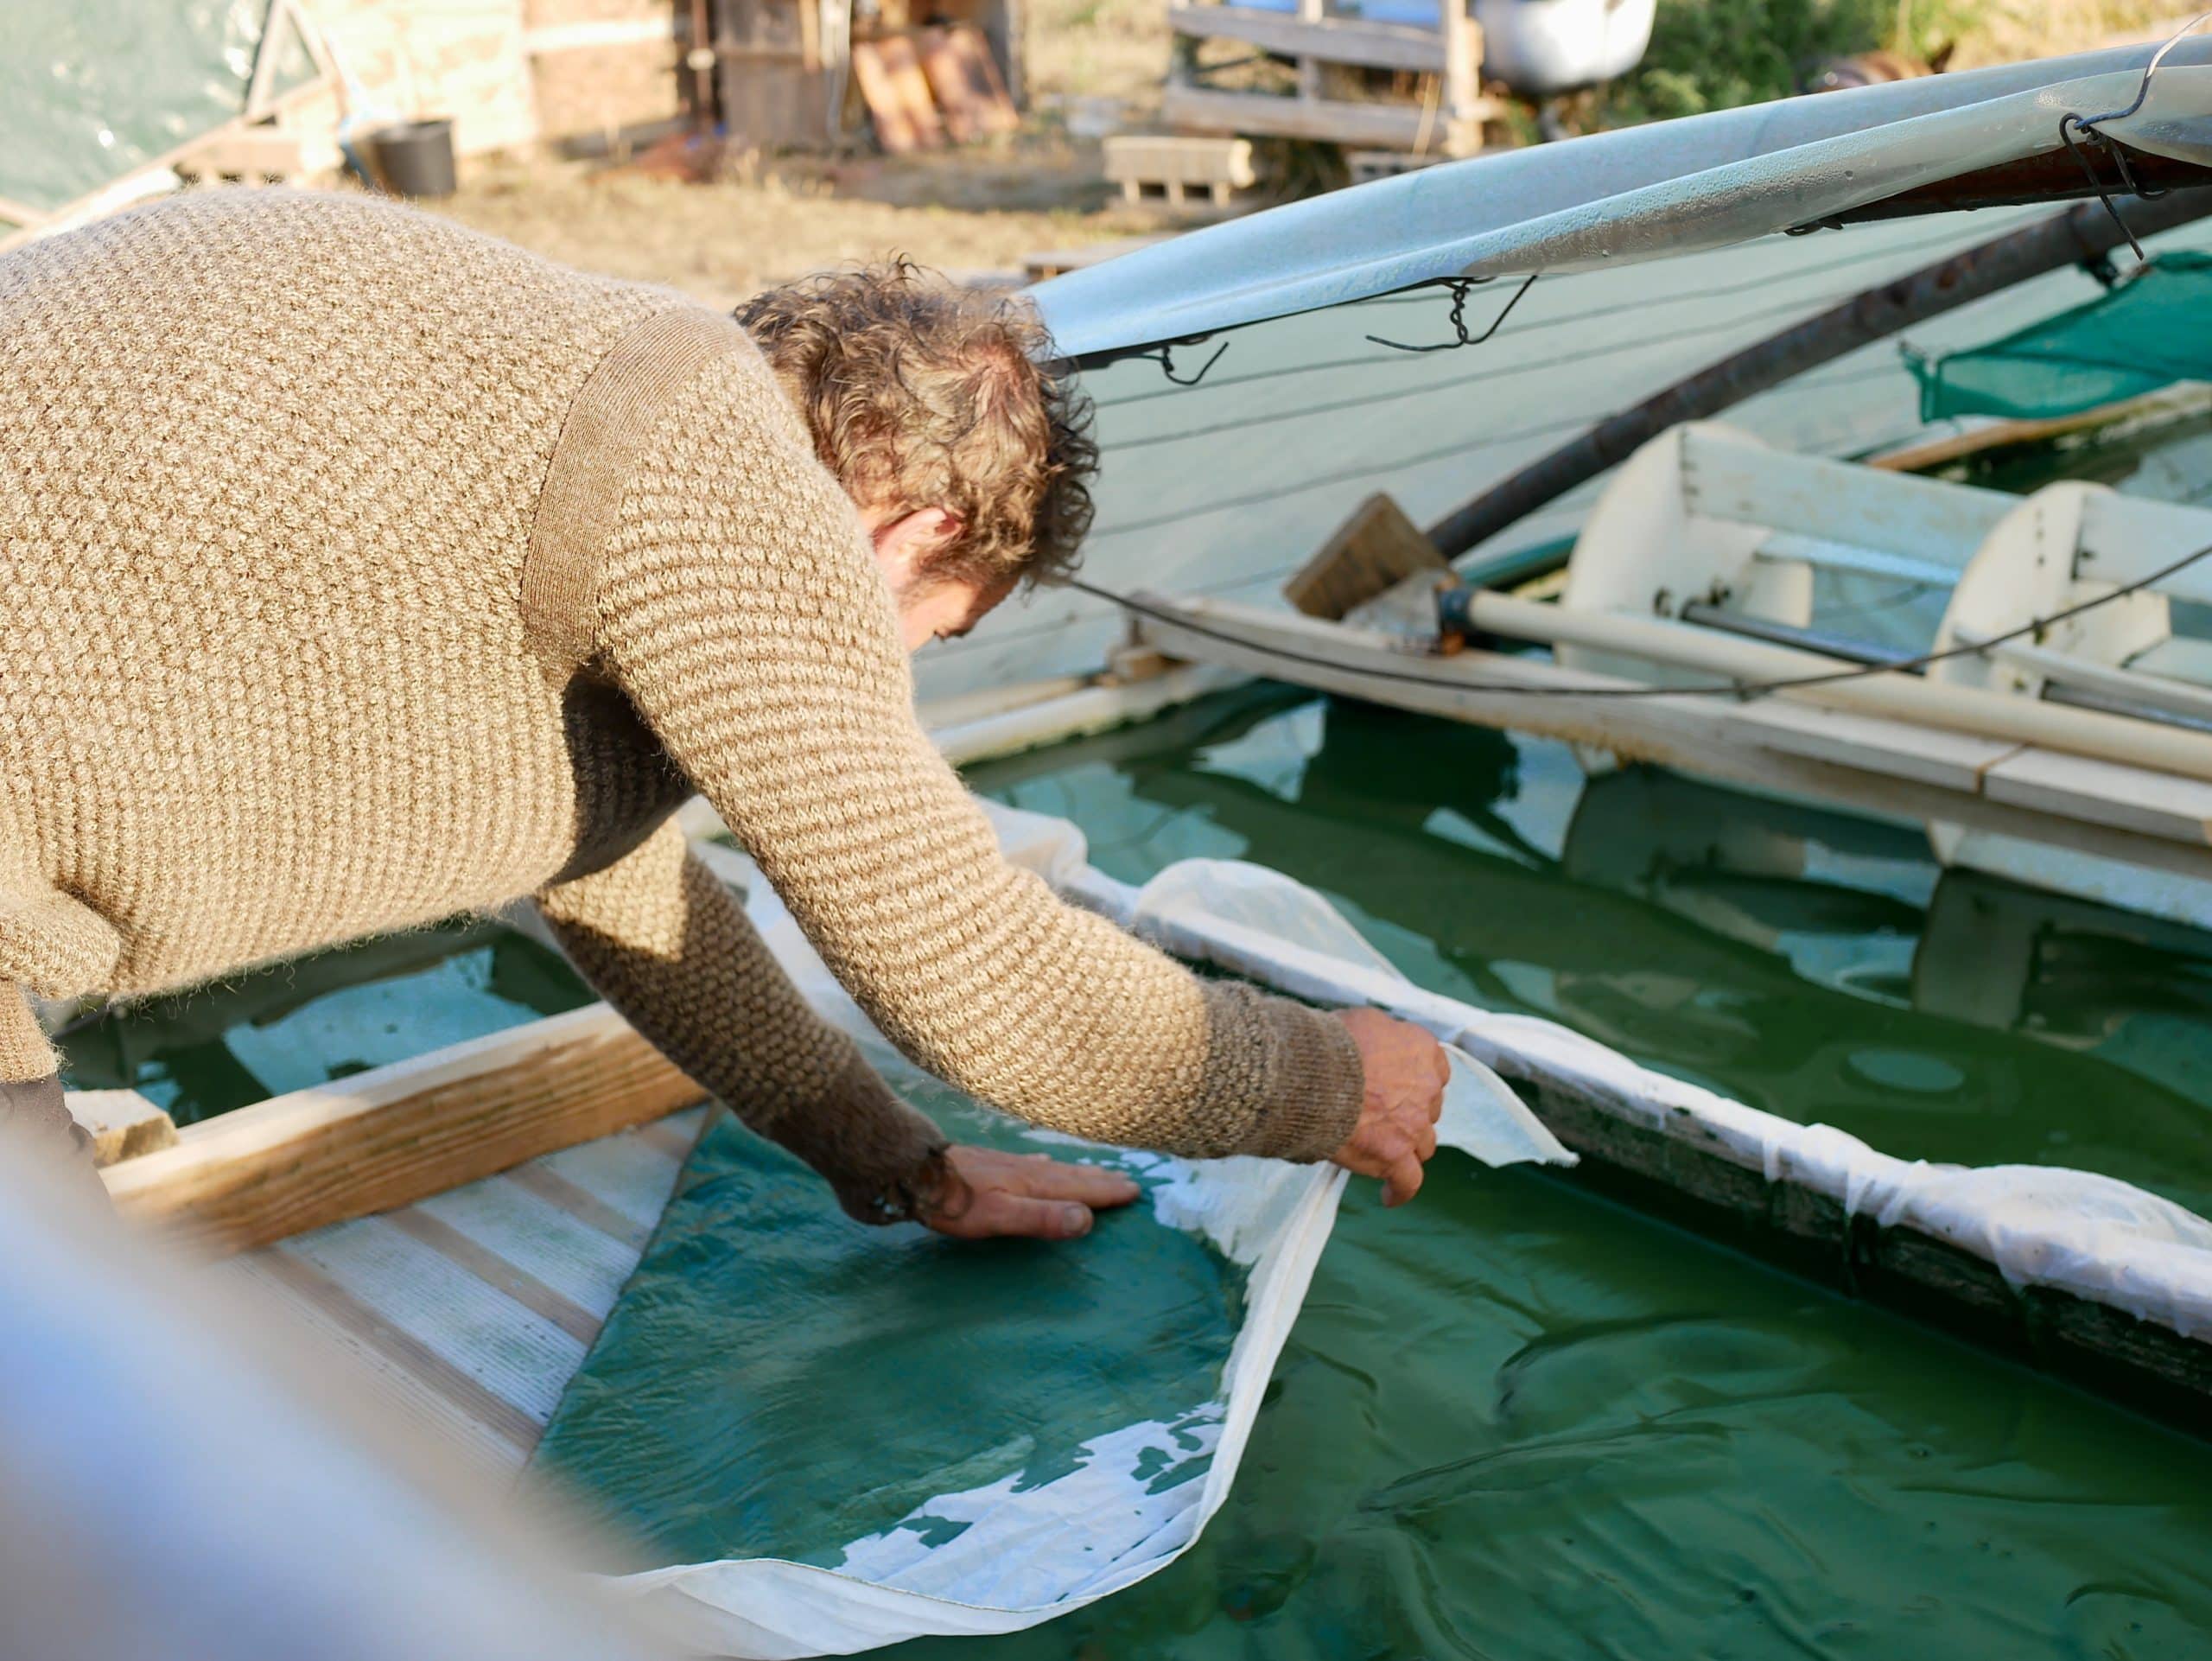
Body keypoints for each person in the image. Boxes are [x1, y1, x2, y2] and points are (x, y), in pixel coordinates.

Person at [0, 188, 1446, 1239]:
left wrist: (893, 1159)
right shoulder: (728, 481)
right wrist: (1325, 1074)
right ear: (912, 533)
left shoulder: (602, 396)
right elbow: (974, 968)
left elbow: (613, 870)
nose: (889, 675)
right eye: (930, 635)